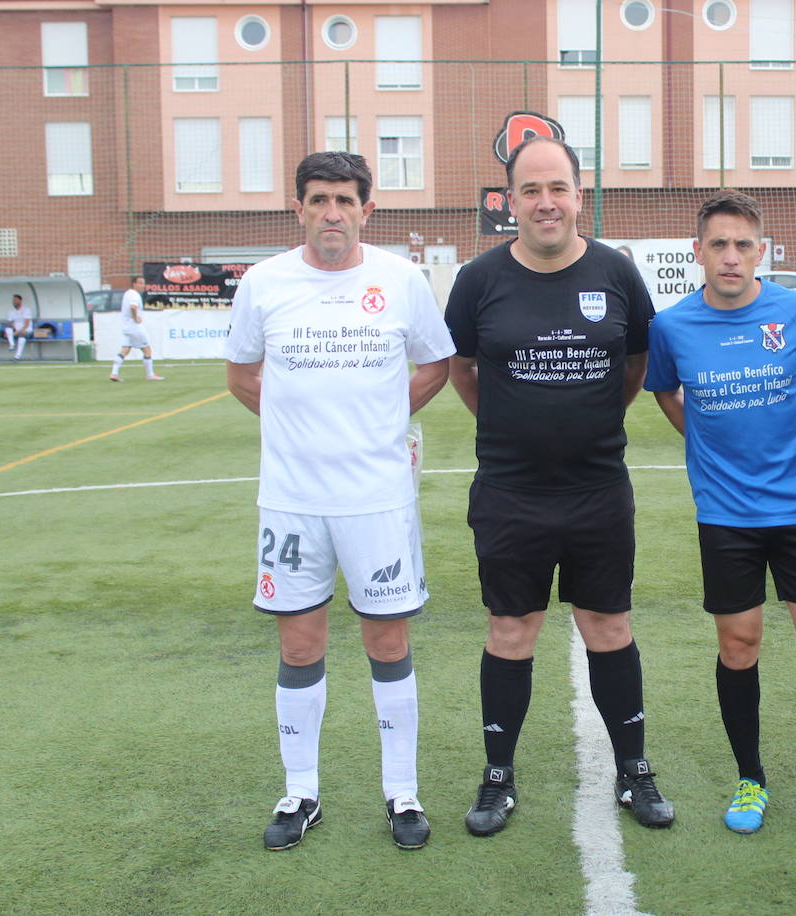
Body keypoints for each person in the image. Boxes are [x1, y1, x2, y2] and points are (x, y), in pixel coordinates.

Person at [225, 151, 454, 851]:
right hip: (292, 502)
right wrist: (303, 432)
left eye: (345, 200)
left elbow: (436, 363)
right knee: (300, 643)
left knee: (388, 640)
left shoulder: (401, 278)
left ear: (367, 209)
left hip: (377, 500)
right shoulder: (263, 284)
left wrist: (379, 422)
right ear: (298, 207)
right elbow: (241, 375)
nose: (332, 213)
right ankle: (300, 791)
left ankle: (402, 792)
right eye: (319, 199)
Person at [445, 136, 674, 837]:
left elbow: (634, 365)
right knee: (511, 630)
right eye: (529, 190)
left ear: (580, 193)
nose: (545, 202)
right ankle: (497, 778)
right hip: (510, 491)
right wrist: (514, 423)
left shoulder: (617, 273)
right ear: (509, 200)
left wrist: (589, 417)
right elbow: (462, 368)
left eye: (558, 188)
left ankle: (634, 770)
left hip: (597, 489)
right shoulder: (478, 280)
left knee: (608, 627)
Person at [644, 189, 796, 834]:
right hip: (725, 515)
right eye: (718, 245)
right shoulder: (672, 326)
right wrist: (708, 444)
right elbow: (665, 392)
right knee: (739, 645)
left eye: (742, 245)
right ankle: (750, 777)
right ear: (697, 252)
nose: (730, 257)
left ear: (760, 251)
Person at [110, 276, 163, 381]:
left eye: (143, 283)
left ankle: (114, 373)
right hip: (134, 327)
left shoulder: (127, 293)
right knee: (147, 350)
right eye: (140, 283)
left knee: (125, 350)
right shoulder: (134, 295)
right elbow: (133, 307)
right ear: (134, 284)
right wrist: (136, 318)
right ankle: (150, 375)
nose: (143, 285)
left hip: (126, 327)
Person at [5, 294, 33, 360]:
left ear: (20, 301)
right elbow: (10, 323)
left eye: (15, 300)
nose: (14, 302)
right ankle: (12, 345)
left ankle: (17, 356)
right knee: (7, 328)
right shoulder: (11, 312)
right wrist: (8, 333)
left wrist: (15, 333)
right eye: (13, 300)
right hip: (16, 330)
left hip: (27, 330)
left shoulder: (26, 310)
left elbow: (26, 325)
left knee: (22, 334)